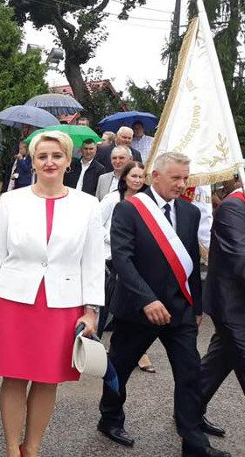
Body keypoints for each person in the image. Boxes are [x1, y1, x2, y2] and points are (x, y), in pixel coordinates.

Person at [0, 130, 104, 457]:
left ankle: (32, 447)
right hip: (14, 301)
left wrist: (91, 310)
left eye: (56, 156)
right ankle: (11, 449)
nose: (49, 162)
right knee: (14, 376)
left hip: (63, 303)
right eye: (42, 156)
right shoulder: (11, 201)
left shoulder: (87, 205)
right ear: (32, 160)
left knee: (47, 378)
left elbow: (93, 260)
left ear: (68, 161)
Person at [98, 152, 229, 457]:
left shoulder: (190, 212)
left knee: (190, 374)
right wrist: (148, 299)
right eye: (176, 178)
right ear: (155, 176)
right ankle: (110, 418)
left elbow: (191, 266)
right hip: (137, 309)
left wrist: (196, 307)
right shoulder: (129, 209)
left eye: (186, 177)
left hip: (180, 310)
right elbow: (123, 260)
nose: (183, 184)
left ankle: (194, 442)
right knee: (119, 368)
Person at [96, 161, 156, 372]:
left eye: (141, 177)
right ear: (125, 179)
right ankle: (94, 346)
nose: (138, 181)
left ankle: (140, 353)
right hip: (111, 259)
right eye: (134, 177)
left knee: (135, 304)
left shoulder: (148, 202)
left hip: (137, 261)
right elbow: (96, 223)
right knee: (104, 306)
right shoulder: (113, 198)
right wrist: (114, 239)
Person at [198, 177, 245, 438]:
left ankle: (189, 411)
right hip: (232, 307)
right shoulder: (234, 207)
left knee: (218, 361)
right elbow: (240, 260)